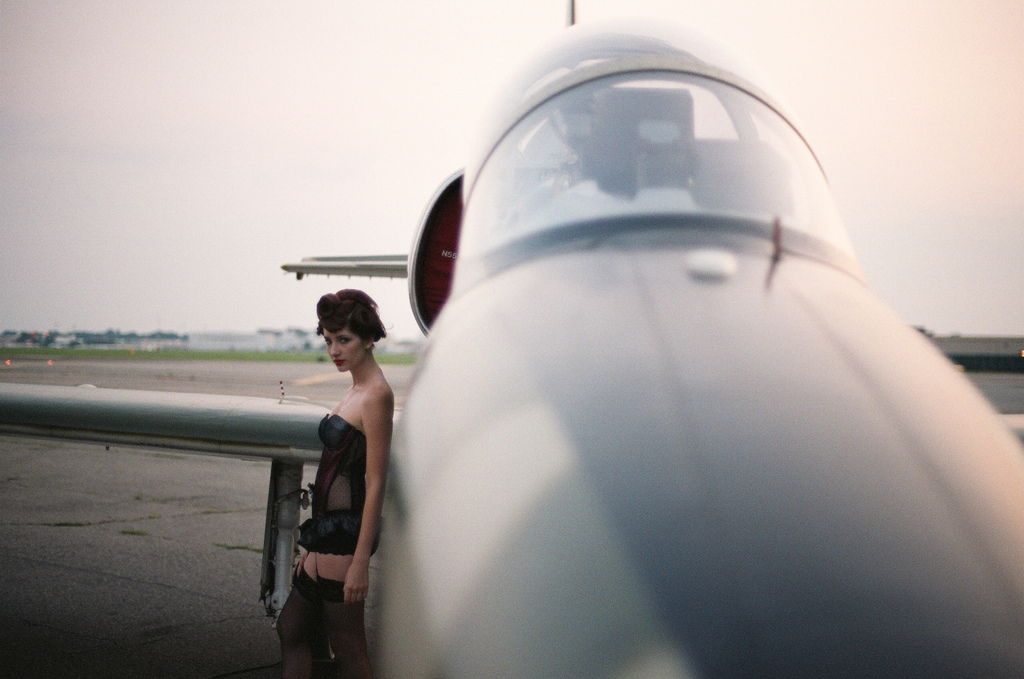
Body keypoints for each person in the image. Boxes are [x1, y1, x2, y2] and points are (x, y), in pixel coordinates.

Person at [277, 289, 393, 679]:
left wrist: (361, 563)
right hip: (323, 539)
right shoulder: (354, 389)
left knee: (349, 651)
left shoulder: (376, 395)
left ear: (369, 338)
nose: (333, 350)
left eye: (343, 340)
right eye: (328, 340)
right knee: (291, 629)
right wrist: (310, 549)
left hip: (345, 542)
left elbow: (376, 482)